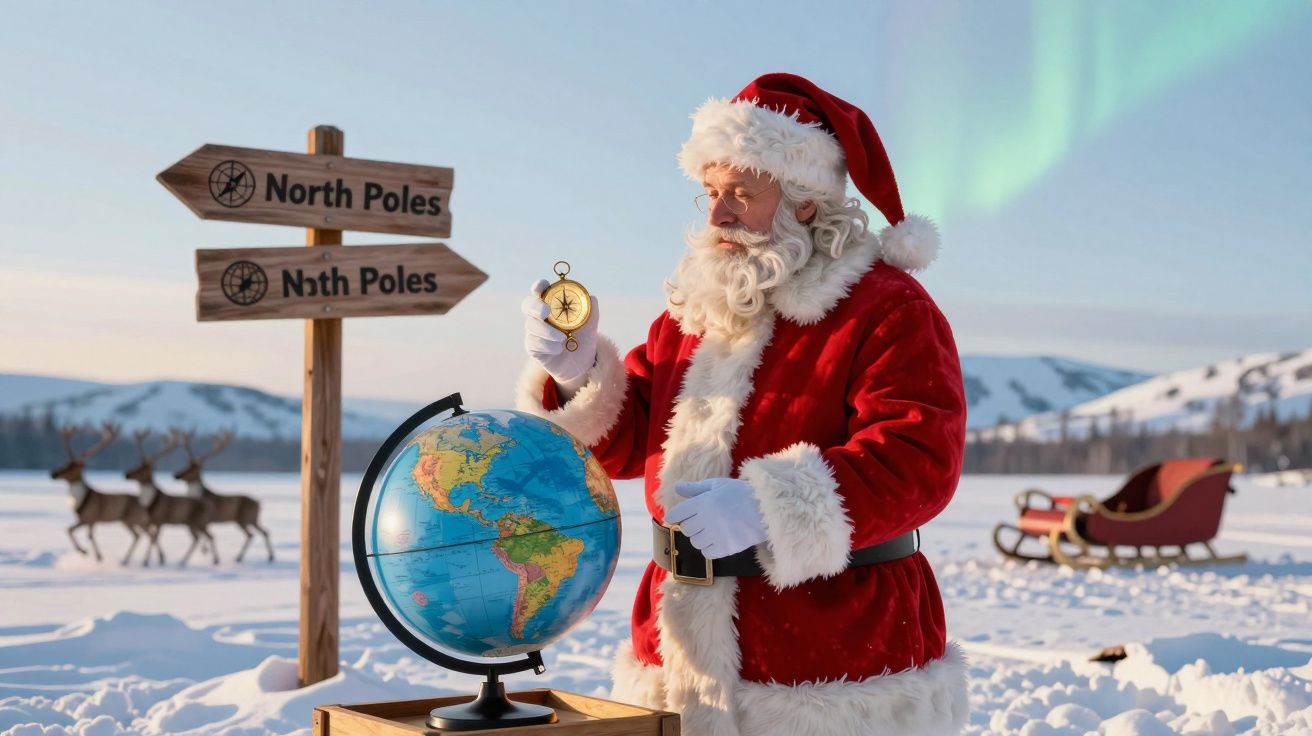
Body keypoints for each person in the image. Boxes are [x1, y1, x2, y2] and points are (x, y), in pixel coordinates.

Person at [517, 73, 969, 736]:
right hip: (676, 653)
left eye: (741, 194)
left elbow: (917, 460)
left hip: (831, 664)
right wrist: (577, 371)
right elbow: (627, 438)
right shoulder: (695, 311)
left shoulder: (886, 308)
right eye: (711, 193)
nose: (718, 215)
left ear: (806, 203)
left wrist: (767, 508)